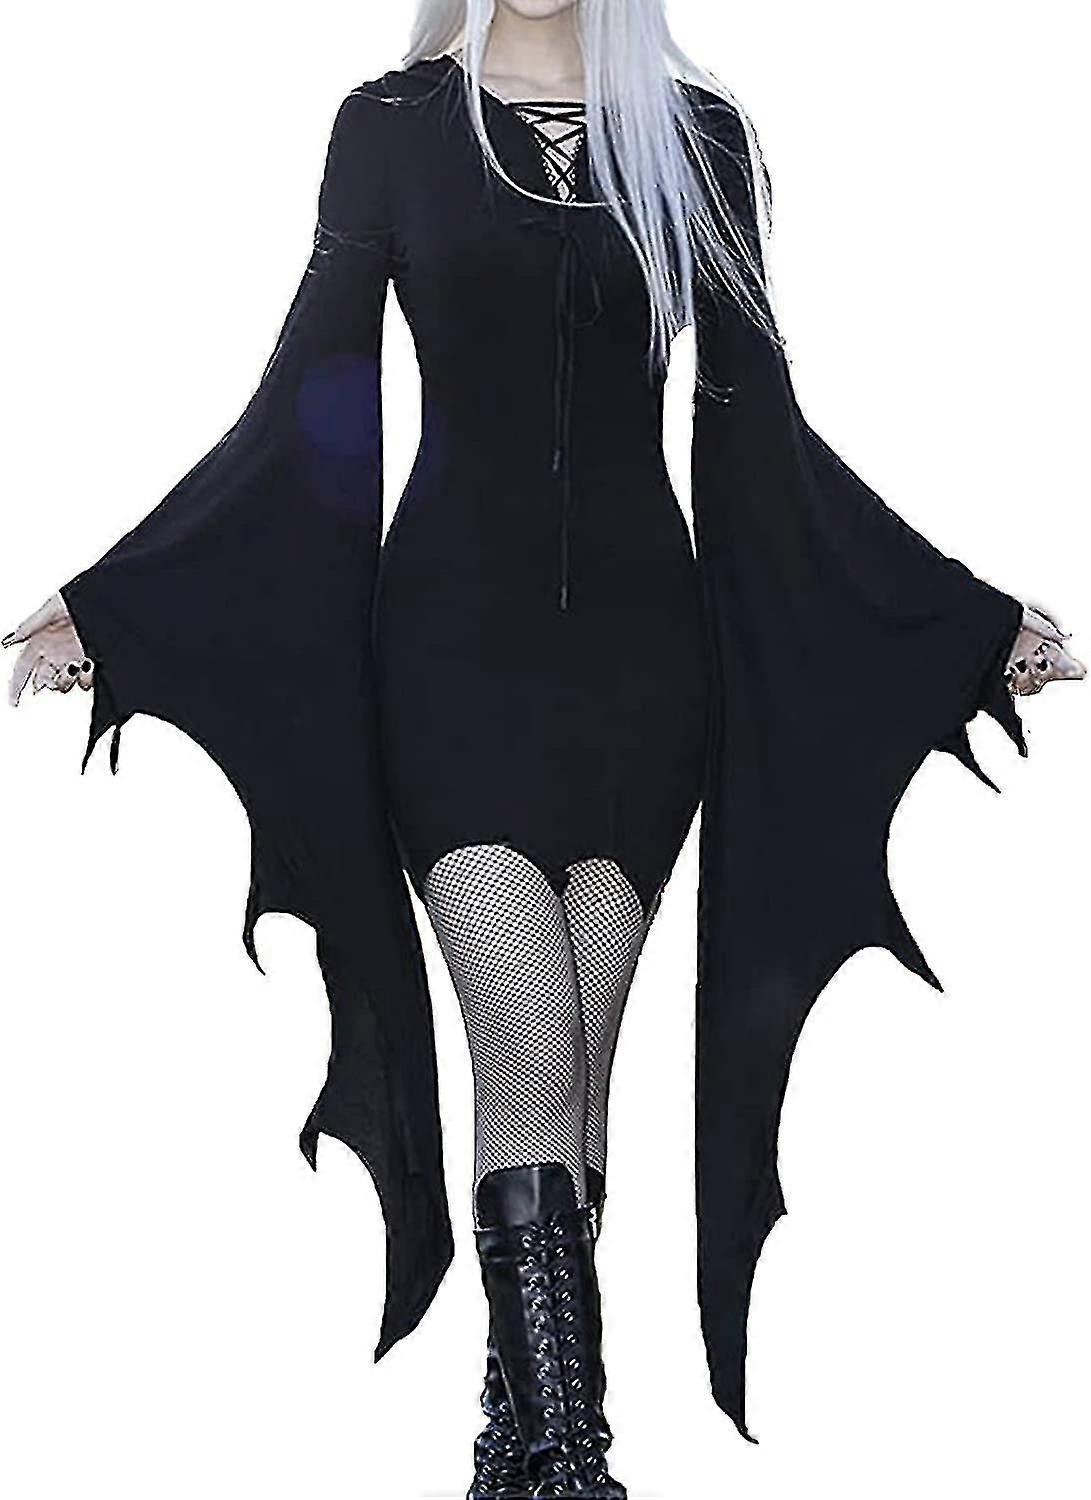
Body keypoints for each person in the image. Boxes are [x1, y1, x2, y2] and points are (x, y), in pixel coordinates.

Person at [4, 3, 1084, 1496]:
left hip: (647, 679)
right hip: (451, 660)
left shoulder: (698, 141)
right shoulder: (390, 129)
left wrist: (960, 620)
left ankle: (516, 1452)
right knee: (524, 1034)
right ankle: (576, 1468)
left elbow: (761, 431)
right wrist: (122, 604)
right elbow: (305, 402)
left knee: (573, 1080)